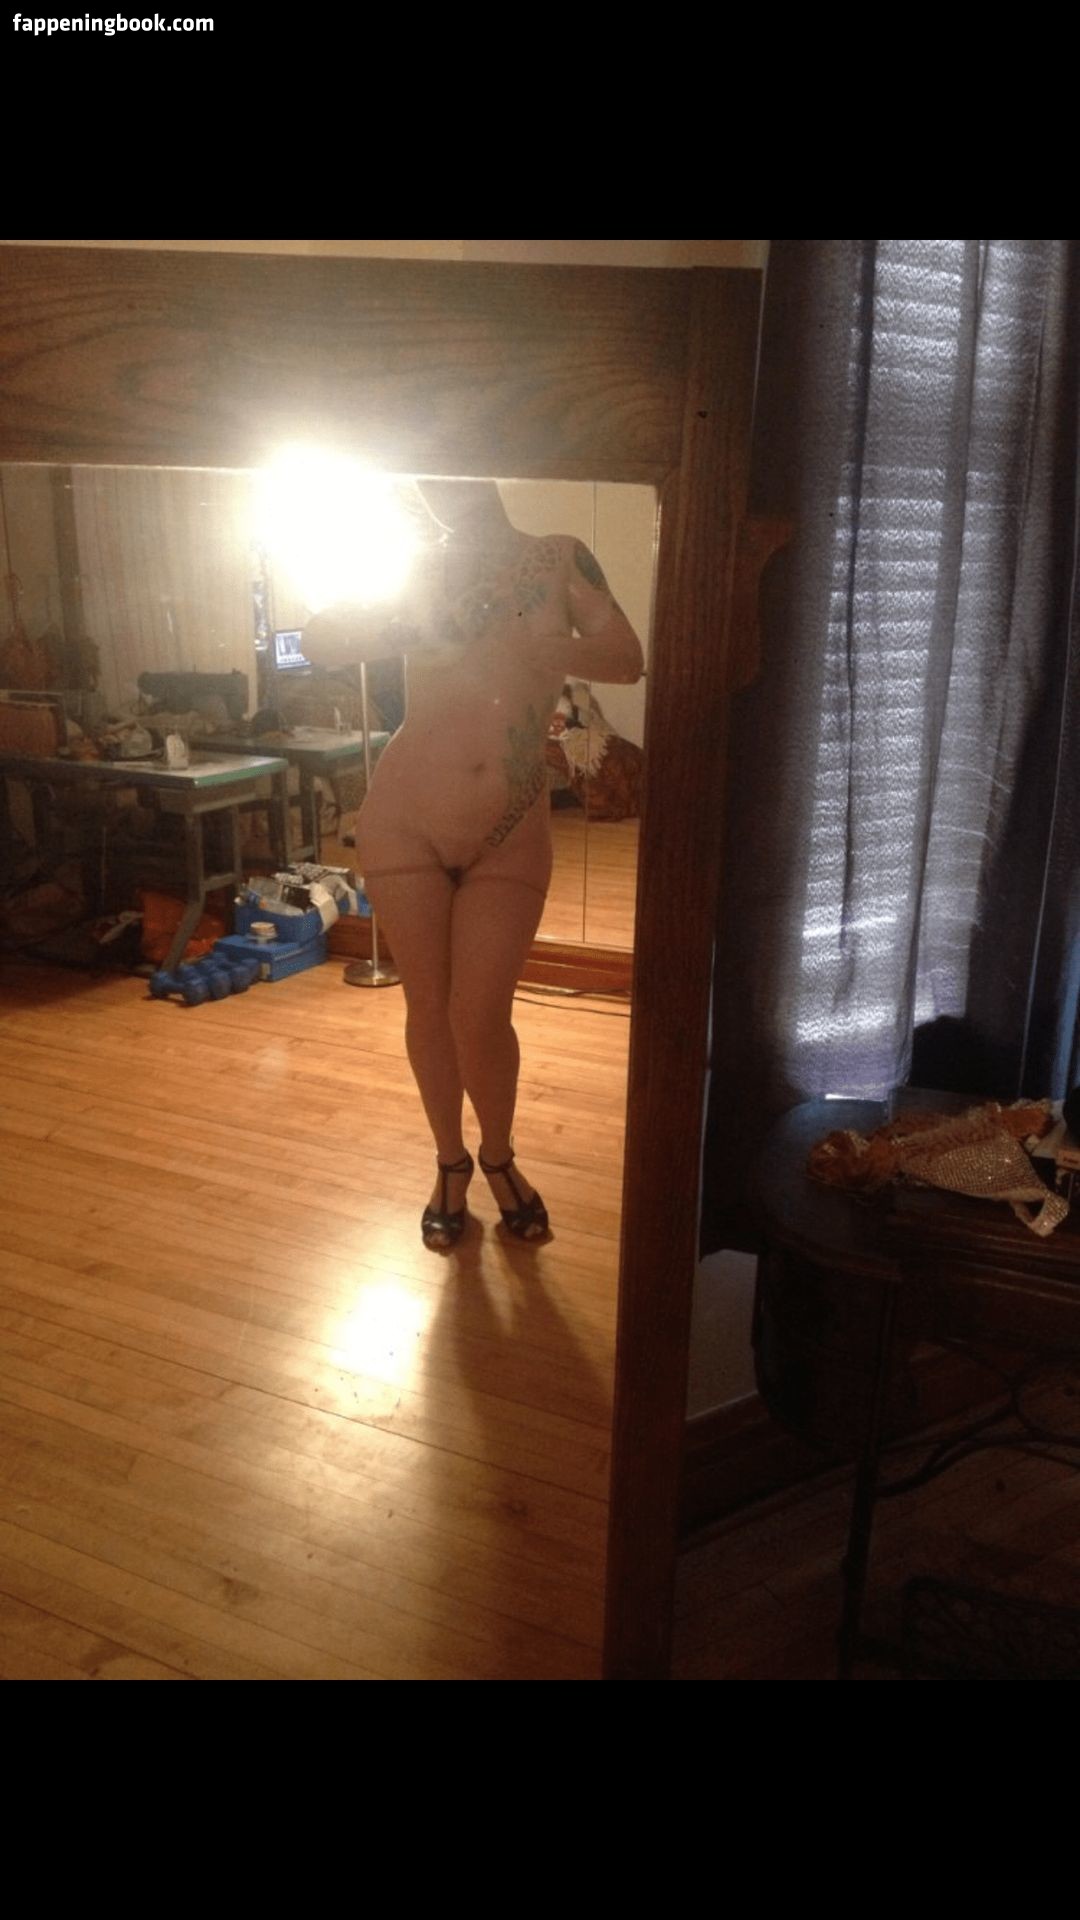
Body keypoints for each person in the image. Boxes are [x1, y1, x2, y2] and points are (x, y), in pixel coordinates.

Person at [303, 479, 644, 1250]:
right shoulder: (416, 571)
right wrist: (405, 612)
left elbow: (627, 657)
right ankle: (450, 1162)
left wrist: (538, 645)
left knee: (480, 1012)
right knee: (427, 1006)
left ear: (488, 469)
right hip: (404, 821)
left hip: (510, 828)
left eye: (456, 465)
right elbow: (321, 640)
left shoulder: (558, 557)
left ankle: (498, 1155)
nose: (442, 486)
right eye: (429, 473)